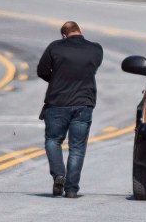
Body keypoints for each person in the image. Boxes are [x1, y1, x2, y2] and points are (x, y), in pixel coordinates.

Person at [36, 21, 103, 198]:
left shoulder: (55, 47)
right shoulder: (96, 49)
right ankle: (72, 189)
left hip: (57, 102)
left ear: (64, 35)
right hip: (84, 103)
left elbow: (42, 70)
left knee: (53, 140)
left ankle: (59, 175)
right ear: (81, 31)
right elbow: (92, 67)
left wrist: (58, 79)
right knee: (77, 147)